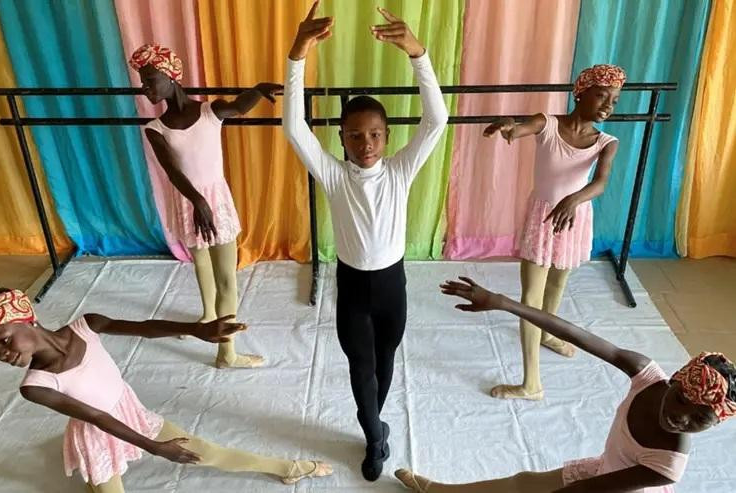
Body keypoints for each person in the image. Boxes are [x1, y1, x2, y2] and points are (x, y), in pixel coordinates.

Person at [283, 1, 448, 481]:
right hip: (353, 286)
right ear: (342, 140)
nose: (366, 143)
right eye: (356, 136)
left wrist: (419, 55)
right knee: (361, 368)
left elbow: (436, 120)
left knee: (385, 359)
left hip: (392, 284)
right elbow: (294, 127)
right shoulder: (334, 177)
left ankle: (374, 423)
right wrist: (297, 55)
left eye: (375, 134)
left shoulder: (400, 170)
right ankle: (375, 439)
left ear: (388, 136)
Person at [394, 277, 735, 492]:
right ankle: (438, 490)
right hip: (602, 475)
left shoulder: (669, 464)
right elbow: (575, 334)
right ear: (675, 380)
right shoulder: (647, 375)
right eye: (681, 399)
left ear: (715, 422)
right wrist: (502, 303)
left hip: (611, 489)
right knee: (522, 483)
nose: (681, 417)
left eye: (699, 419)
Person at [0, 288, 332, 492]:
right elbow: (96, 416)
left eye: (4, 339)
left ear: (25, 316)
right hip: (97, 436)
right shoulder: (36, 386)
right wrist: (154, 448)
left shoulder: (86, 326)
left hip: (131, 414)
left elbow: (143, 328)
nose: (3, 354)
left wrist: (196, 329)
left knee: (207, 452)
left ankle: (289, 468)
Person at [129, 43, 283, 368]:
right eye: (143, 81)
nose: (145, 88)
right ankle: (209, 317)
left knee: (227, 276)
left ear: (171, 76)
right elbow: (172, 171)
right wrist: (197, 201)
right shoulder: (155, 129)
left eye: (149, 80)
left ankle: (226, 352)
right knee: (201, 266)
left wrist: (256, 90)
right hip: (189, 204)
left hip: (216, 203)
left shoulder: (209, 113)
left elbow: (239, 106)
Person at [481, 64, 626, 400]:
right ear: (580, 93)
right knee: (531, 297)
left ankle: (547, 333)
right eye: (601, 96)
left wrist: (575, 199)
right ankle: (531, 382)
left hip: (574, 217)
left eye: (614, 101)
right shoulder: (548, 123)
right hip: (544, 217)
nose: (607, 105)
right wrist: (509, 127)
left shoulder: (606, 142)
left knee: (558, 283)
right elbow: (521, 128)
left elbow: (601, 182)